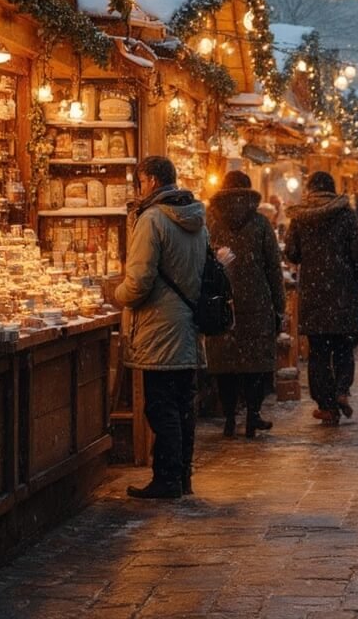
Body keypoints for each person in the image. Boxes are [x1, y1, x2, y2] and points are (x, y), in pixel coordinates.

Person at [115, 155, 208, 499]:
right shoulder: (196, 217)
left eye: (139, 183)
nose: (138, 190)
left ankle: (167, 479)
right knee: (182, 403)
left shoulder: (153, 219)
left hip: (159, 326)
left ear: (152, 181)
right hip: (187, 323)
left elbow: (139, 281)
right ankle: (182, 476)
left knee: (160, 404)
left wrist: (118, 292)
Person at [205, 170, 285, 439]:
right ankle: (252, 415)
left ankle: (229, 417)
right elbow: (273, 267)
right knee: (255, 364)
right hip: (257, 301)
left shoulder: (210, 222)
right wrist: (279, 305)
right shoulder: (261, 224)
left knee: (225, 364)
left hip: (222, 302)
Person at [285, 171, 358, 425]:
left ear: (310, 189)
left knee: (319, 352)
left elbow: (292, 252)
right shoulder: (346, 215)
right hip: (343, 290)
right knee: (344, 345)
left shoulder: (300, 217)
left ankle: (326, 405)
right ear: (333, 188)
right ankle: (342, 390)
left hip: (314, 291)